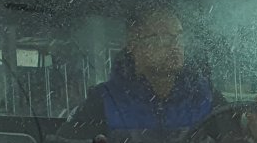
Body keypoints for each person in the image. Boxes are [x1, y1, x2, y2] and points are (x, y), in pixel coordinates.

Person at [90, 7, 214, 135]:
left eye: (180, 36)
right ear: (134, 44)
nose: (175, 44)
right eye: (164, 37)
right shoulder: (103, 102)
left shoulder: (205, 96)